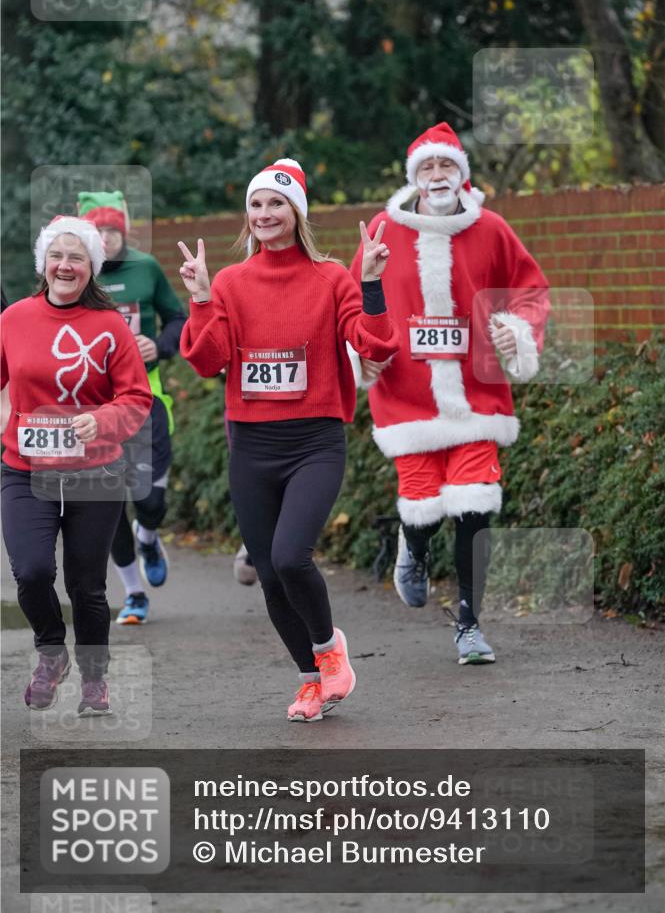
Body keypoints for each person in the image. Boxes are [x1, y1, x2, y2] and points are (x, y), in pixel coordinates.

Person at [178, 158, 399, 722]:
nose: (264, 214)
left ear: (296, 212)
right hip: (252, 448)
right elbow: (207, 362)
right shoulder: (230, 282)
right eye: (256, 205)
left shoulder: (331, 278)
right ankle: (310, 682)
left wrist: (370, 282)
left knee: (288, 556)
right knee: (270, 577)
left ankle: (330, 654)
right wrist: (202, 297)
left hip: (314, 443)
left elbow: (375, 345)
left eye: (276, 203)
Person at [349, 123, 550, 664]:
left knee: (475, 507)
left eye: (446, 167)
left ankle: (468, 623)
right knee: (422, 505)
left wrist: (516, 329)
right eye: (427, 169)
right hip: (406, 397)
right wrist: (363, 349)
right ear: (414, 177)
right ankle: (412, 548)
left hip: (477, 397)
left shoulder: (492, 229)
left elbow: (530, 290)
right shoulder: (383, 230)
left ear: (462, 173)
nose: (437, 177)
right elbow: (353, 303)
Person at [0, 216, 152, 713]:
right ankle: (51, 653)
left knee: (86, 586)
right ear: (43, 263)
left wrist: (103, 420)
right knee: (32, 571)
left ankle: (93, 679)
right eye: (57, 256)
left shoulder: (109, 327)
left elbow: (136, 397)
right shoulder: (14, 319)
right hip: (25, 468)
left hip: (95, 471)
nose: (65, 265)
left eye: (77, 257)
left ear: (92, 268)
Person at [78, 191, 186, 625]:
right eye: (97, 231)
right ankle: (134, 594)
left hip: (146, 399)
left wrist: (157, 345)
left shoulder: (146, 268)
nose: (106, 239)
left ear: (122, 230)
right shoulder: (73, 273)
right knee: (108, 504)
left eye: (112, 230)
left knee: (150, 501)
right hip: (90, 407)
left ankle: (149, 535)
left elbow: (179, 319)